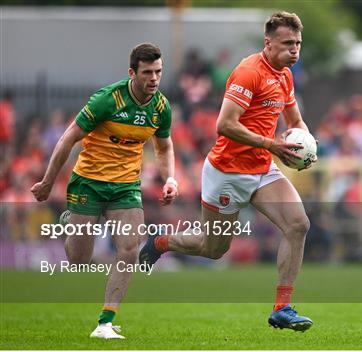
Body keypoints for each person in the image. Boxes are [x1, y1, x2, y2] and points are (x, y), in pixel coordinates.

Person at [140, 11, 315, 331]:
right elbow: (225, 125)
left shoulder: (285, 76)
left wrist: (307, 146)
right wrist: (271, 144)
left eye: (298, 43)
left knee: (298, 224)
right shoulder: (249, 72)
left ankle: (282, 307)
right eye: (288, 43)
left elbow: (295, 122)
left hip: (262, 168)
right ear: (268, 42)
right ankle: (160, 244)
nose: (295, 50)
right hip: (227, 172)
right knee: (213, 249)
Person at [31, 43, 178, 339]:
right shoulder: (107, 100)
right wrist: (48, 182)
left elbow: (164, 147)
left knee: (129, 249)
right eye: (147, 72)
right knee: (79, 260)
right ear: (132, 72)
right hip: (89, 182)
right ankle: (70, 222)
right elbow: (67, 139)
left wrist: (171, 178)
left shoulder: (161, 107)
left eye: (158, 72)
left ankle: (105, 322)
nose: (154, 78)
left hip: (126, 186)